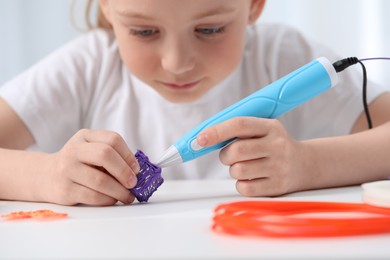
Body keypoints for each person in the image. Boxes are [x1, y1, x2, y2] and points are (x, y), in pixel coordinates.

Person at [0, 0, 389, 206]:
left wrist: (309, 165)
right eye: (144, 31)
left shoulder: (282, 55)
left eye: (209, 29)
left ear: (254, 5)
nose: (177, 62)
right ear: (107, 6)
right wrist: (48, 174)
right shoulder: (86, 67)